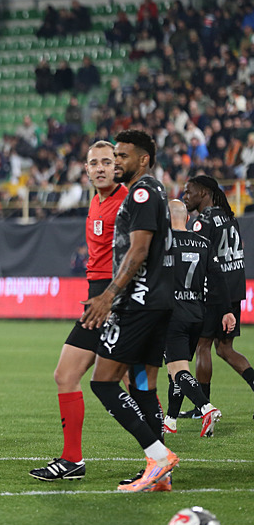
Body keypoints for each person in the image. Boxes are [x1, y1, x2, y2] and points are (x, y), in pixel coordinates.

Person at [81, 129, 178, 492]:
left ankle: (158, 455)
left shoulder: (139, 192)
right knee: (142, 386)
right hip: (159, 303)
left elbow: (138, 251)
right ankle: (160, 475)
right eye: (113, 156)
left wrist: (108, 296)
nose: (116, 162)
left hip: (137, 304)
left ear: (143, 160)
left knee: (103, 382)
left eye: (122, 156)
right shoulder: (157, 190)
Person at [29, 141, 127, 482]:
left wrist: (115, 296)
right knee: (67, 375)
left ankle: (158, 454)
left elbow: (139, 251)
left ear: (118, 166)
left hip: (115, 298)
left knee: (133, 382)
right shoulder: (97, 201)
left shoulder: (126, 202)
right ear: (85, 169)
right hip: (97, 297)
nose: (100, 167)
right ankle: (73, 460)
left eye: (106, 162)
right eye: (93, 163)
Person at [182, 175, 254, 418]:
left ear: (203, 193)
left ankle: (203, 407)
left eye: (188, 191)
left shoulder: (204, 221)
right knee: (224, 349)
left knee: (203, 346)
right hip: (234, 290)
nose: (185, 196)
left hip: (214, 292)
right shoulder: (229, 216)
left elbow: (195, 255)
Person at [162, 199, 231, 437]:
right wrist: (227, 310)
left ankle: (206, 408)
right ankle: (170, 420)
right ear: (188, 219)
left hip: (172, 314)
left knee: (178, 370)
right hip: (196, 314)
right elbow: (218, 278)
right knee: (178, 369)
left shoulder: (163, 243)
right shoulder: (203, 242)